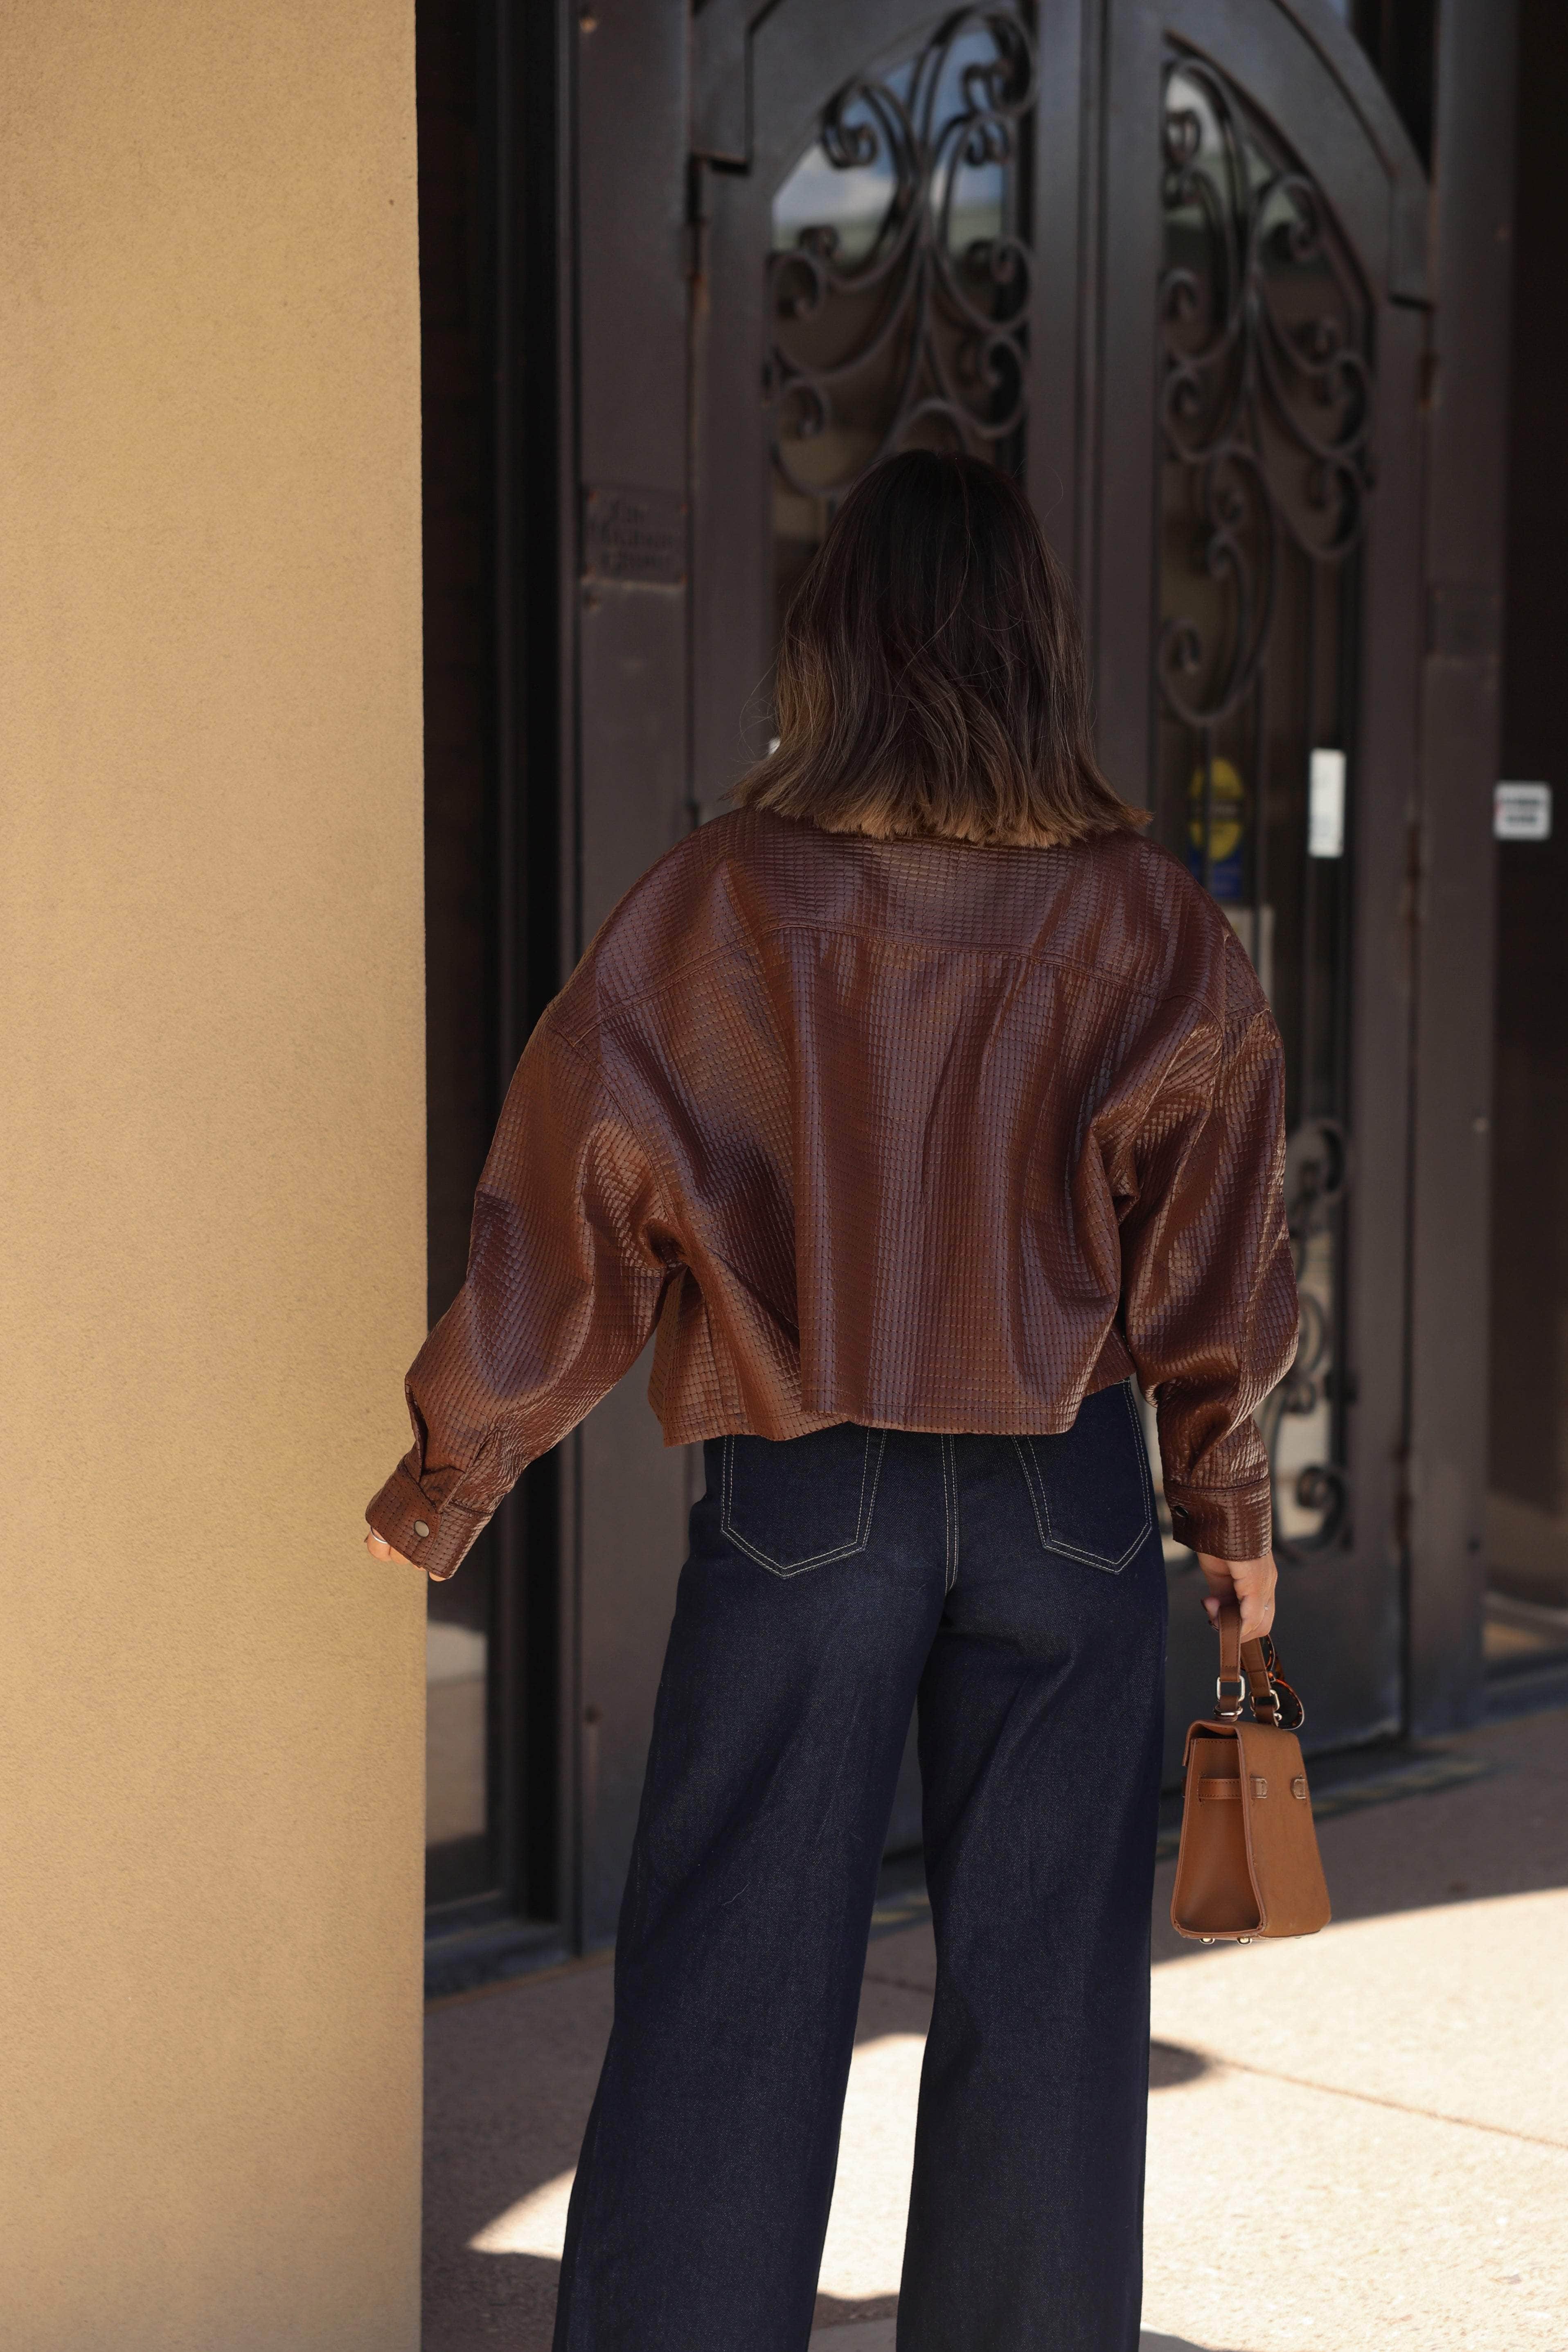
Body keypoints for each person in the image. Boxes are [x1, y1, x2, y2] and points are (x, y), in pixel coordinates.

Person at [365, 450, 1297, 2352]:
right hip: (1069, 1503)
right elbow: (1219, 1271)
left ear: (833, 646)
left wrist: (456, 1470)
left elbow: (577, 1192)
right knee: (1049, 2012)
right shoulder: (1151, 922)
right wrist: (1228, 1517)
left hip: (811, 1503)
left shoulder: (720, 902)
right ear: (1037, 646)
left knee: (730, 1984)